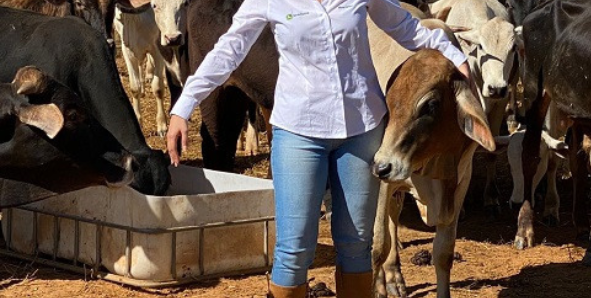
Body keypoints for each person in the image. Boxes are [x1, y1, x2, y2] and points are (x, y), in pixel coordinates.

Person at [164, 0, 470, 297]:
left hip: (361, 129)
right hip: (299, 132)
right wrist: (184, 106)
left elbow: (404, 26)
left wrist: (454, 56)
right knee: (294, 247)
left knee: (356, 244)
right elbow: (229, 51)